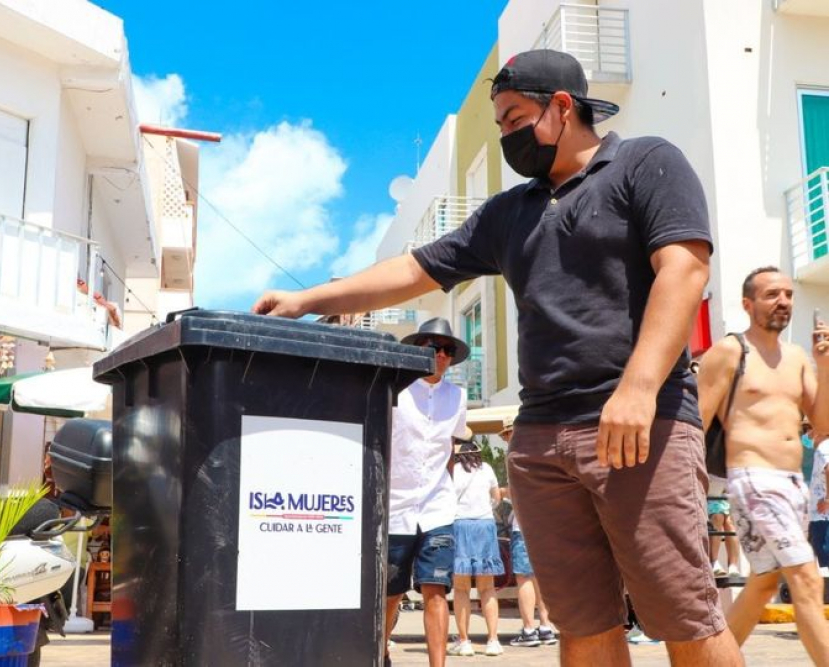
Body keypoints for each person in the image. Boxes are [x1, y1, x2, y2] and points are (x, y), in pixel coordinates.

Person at [253, 48, 741, 666]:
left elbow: (685, 267)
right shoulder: (509, 213)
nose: (507, 136)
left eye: (514, 119)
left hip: (639, 426)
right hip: (540, 441)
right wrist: (304, 299)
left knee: (683, 614)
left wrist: (639, 388)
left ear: (562, 107)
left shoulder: (647, 162)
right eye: (500, 124)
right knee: (583, 625)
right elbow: (412, 269)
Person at [696, 267, 829, 664]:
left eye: (788, 294)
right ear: (748, 304)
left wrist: (824, 365)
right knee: (805, 578)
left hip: (792, 485)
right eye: (772, 294)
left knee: (763, 584)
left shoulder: (798, 359)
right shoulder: (729, 352)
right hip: (752, 480)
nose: (783, 301)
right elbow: (696, 422)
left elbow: (822, 427)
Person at [384, 318, 469, 666]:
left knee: (436, 590)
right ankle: (379, 652)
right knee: (391, 593)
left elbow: (451, 447)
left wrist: (446, 488)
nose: (442, 355)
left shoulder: (458, 397)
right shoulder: (396, 390)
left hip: (437, 507)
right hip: (395, 506)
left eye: (448, 350)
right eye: (435, 347)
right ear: (419, 349)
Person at [498, 424, 556, 650]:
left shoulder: (514, 457)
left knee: (524, 578)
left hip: (523, 525)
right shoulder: (543, 454)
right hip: (546, 525)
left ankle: (529, 628)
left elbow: (514, 491)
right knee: (542, 578)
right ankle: (546, 625)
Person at [447, 426, 504, 657]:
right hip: (485, 526)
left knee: (461, 590)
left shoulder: (453, 471)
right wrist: (484, 510)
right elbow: (497, 498)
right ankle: (492, 640)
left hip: (460, 526)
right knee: (487, 588)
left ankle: (465, 641)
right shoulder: (487, 468)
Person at [707, 476, 741, 578]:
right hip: (708, 499)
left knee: (730, 523)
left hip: (721, 498)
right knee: (717, 518)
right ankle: (714, 561)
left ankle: (733, 565)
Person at [809, 430, 829, 570]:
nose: (809, 434)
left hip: (823, 516)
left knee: (825, 557)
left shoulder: (824, 447)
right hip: (822, 516)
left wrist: (827, 499)